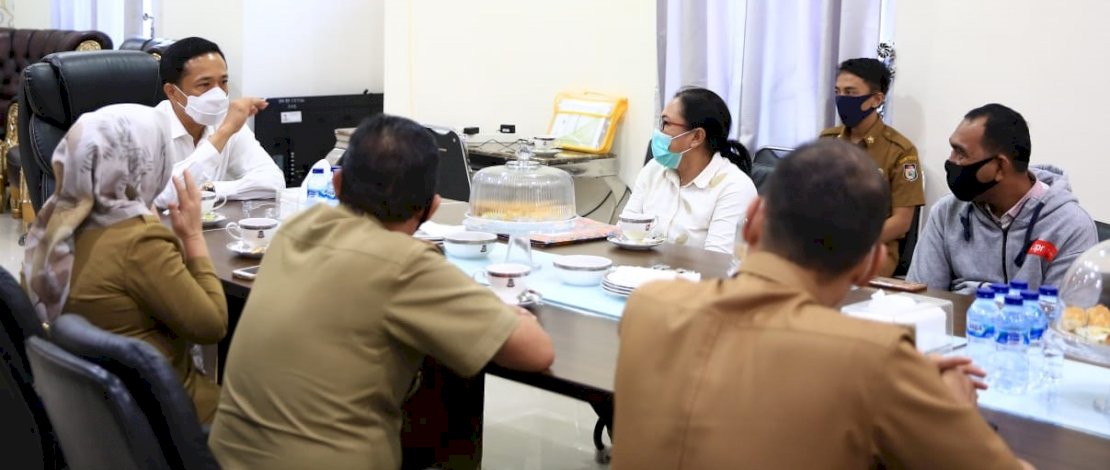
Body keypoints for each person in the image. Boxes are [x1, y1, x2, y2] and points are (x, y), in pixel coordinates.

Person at [612, 140, 1031, 469]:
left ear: (754, 218)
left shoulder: (650, 305)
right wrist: (948, 408)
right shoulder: (874, 359)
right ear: (871, 265)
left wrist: (904, 380)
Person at [207, 114, 555, 470]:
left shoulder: (296, 229)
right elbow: (536, 352)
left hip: (226, 458)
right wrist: (507, 311)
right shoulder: (404, 263)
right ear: (433, 207)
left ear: (337, 184)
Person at [23, 104, 227, 423]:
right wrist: (192, 236)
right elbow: (211, 325)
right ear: (146, 162)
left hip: (97, 416)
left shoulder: (54, 224)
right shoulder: (139, 242)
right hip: (168, 416)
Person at [908, 104, 1097, 294]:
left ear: (999, 166)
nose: (951, 161)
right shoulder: (946, 212)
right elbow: (921, 297)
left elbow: (1062, 310)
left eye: (961, 153)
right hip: (953, 313)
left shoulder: (1070, 226)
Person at [620, 87, 757, 254]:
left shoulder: (734, 187)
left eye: (666, 123)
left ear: (696, 137)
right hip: (640, 268)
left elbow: (718, 260)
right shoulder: (654, 169)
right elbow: (625, 232)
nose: (659, 132)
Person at [820, 58, 924, 276]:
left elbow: (901, 222)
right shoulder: (827, 140)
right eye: (838, 92)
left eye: (850, 93)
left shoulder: (900, 151)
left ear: (876, 99)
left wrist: (850, 243)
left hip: (872, 250)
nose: (842, 99)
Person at [152, 36, 285, 207]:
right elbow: (162, 197)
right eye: (204, 84)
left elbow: (273, 182)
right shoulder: (148, 129)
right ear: (172, 92)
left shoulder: (226, 121)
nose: (218, 94)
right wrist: (223, 133)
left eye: (223, 82)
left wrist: (211, 189)